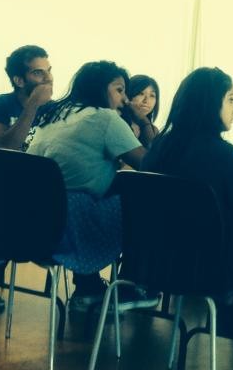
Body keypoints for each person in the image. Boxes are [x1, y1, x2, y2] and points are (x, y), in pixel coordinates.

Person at [143, 67, 233, 337]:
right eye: (231, 99)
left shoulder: (158, 149)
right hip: (210, 268)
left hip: (156, 262)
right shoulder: (227, 156)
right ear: (211, 104)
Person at [29, 61, 146, 307]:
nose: (126, 99)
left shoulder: (55, 114)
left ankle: (88, 286)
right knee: (139, 193)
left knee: (91, 190)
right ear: (99, 89)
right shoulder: (104, 118)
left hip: (35, 219)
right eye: (119, 90)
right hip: (72, 220)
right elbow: (148, 163)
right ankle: (132, 283)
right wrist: (143, 122)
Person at [0, 44, 54, 149]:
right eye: (38, 73)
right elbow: (7, 146)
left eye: (49, 71)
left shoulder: (54, 109)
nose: (49, 78)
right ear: (19, 81)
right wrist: (34, 103)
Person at [123, 75, 160, 147]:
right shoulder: (119, 123)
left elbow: (154, 156)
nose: (146, 100)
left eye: (152, 95)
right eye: (141, 93)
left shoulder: (154, 130)